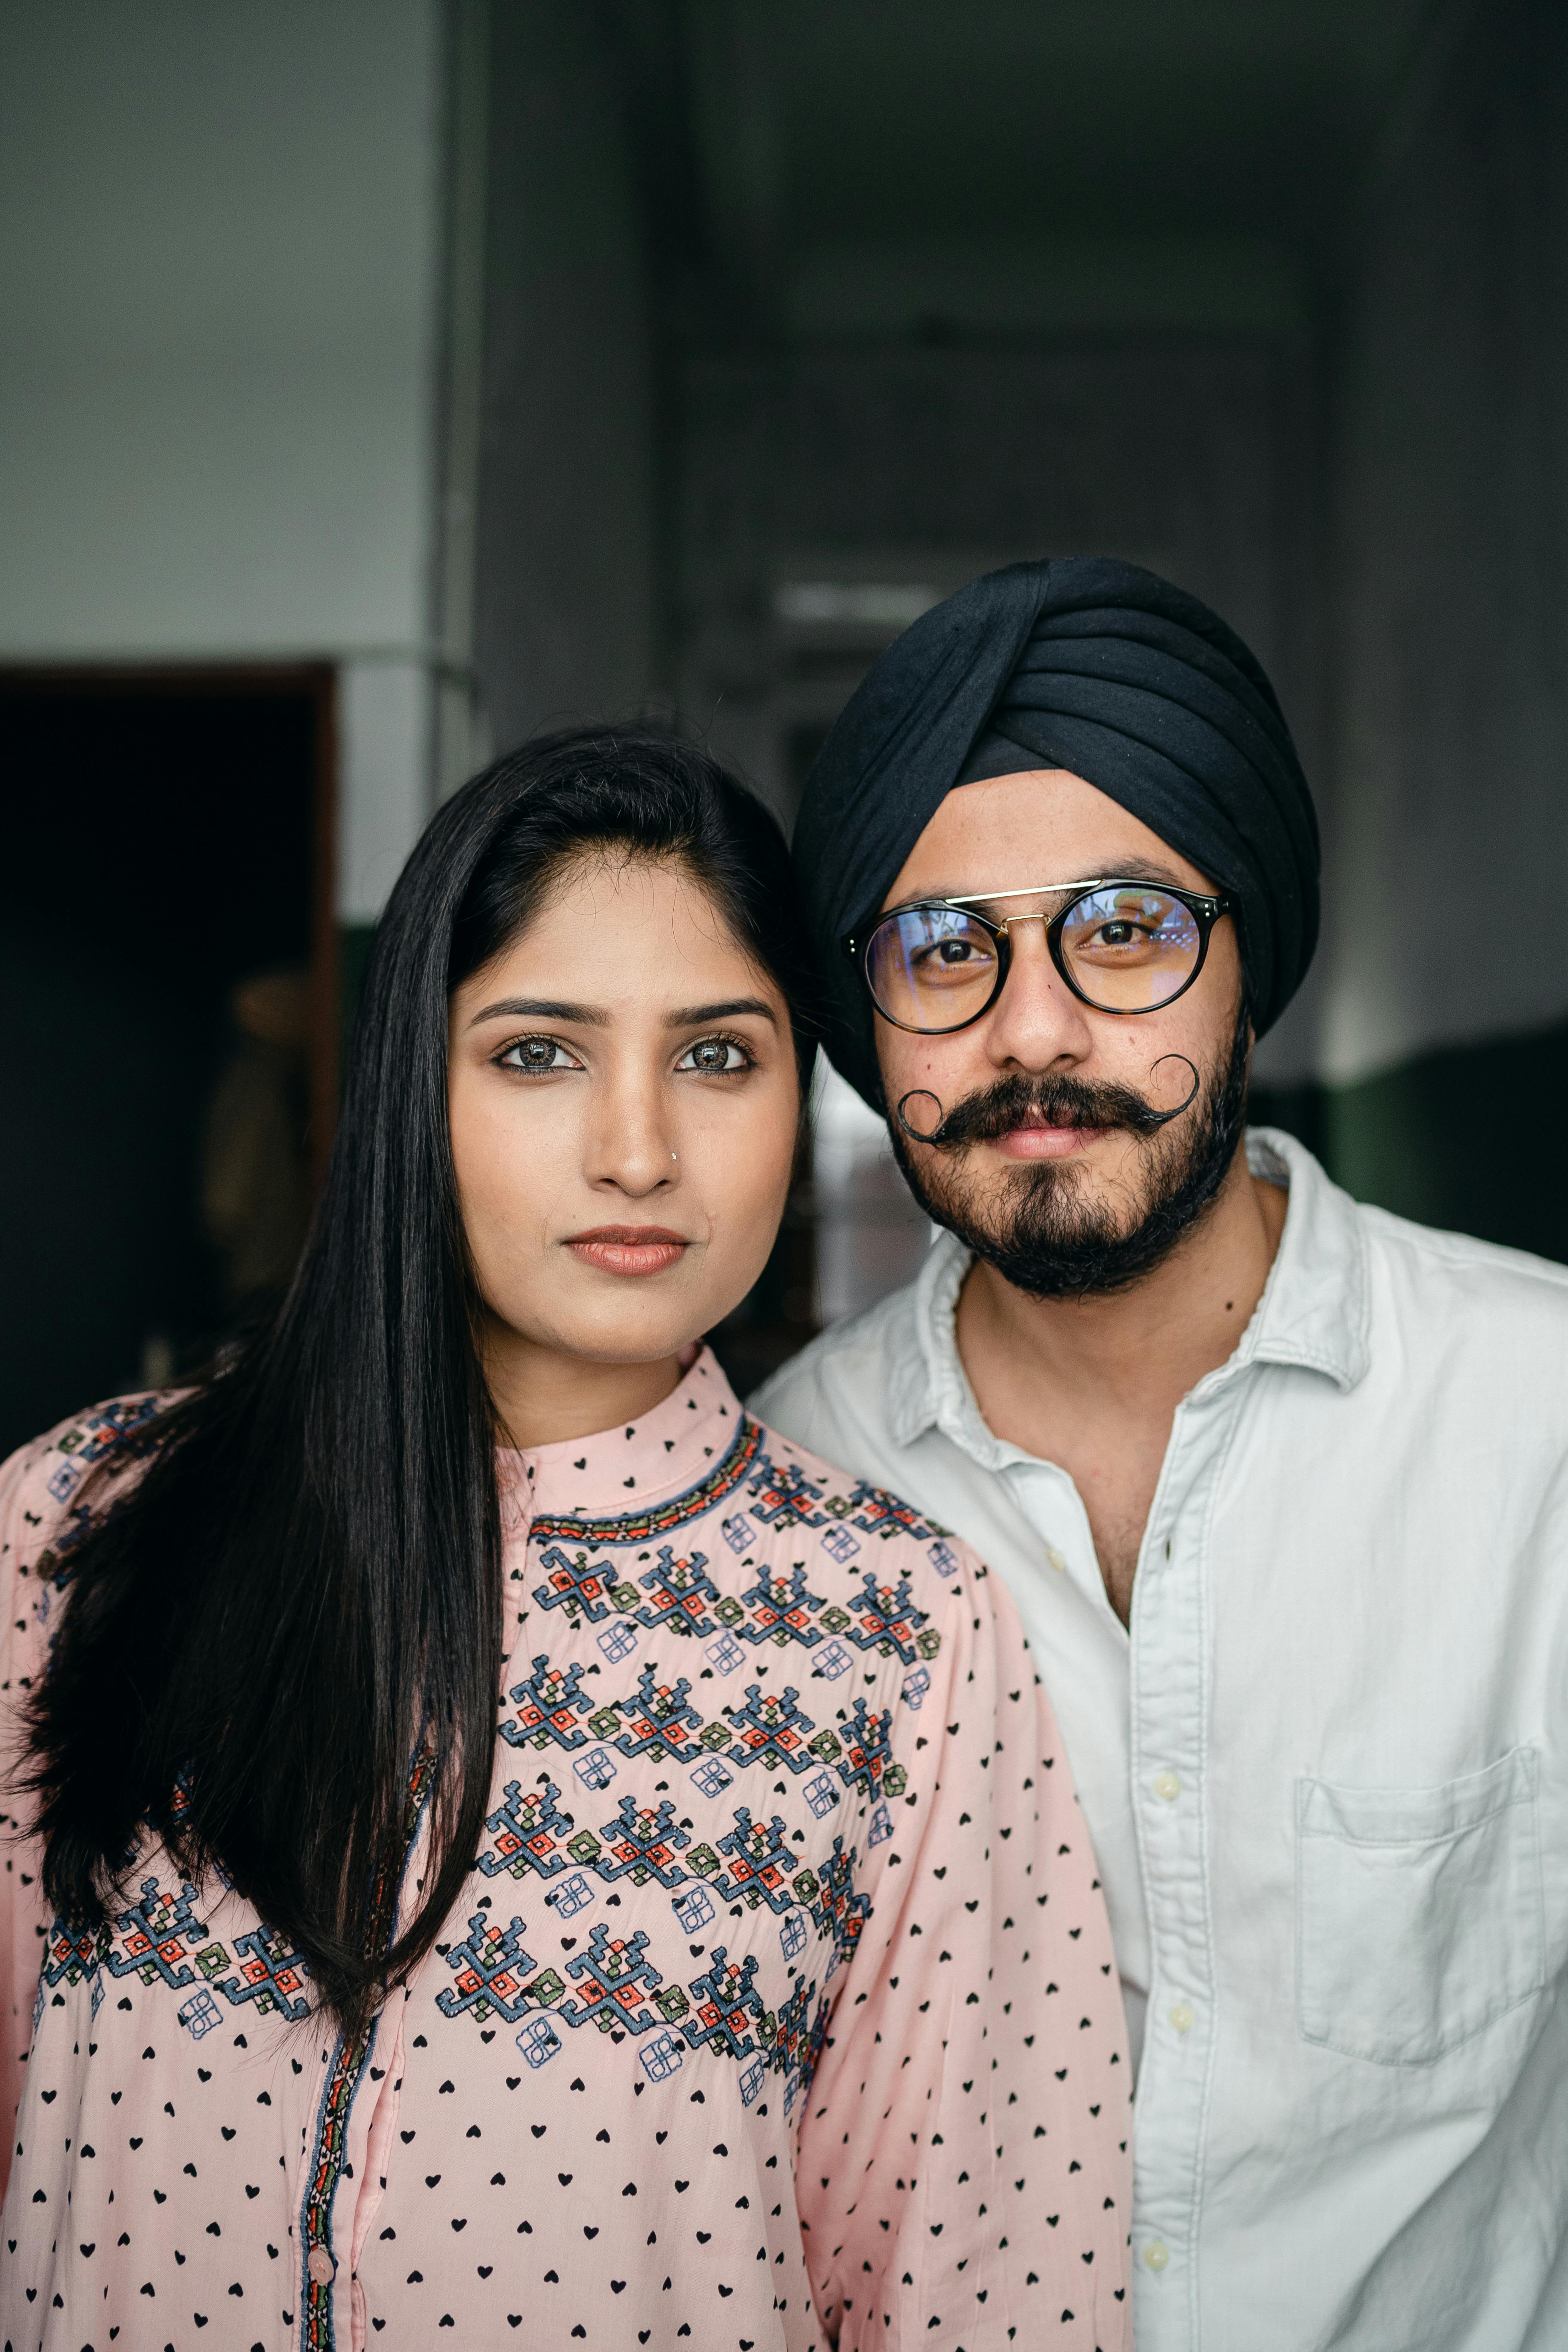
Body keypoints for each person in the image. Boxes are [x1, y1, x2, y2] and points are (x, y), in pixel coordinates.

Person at [0, 728, 1131, 2350]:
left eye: (718, 1057)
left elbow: (995, 2295)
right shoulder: (85, 1527)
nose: (638, 1150)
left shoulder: (898, 1641)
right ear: (414, 1083)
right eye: (538, 1052)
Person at [755, 558, 1568, 2351]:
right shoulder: (788, 1493)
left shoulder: (1541, 1424)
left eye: (1123, 928)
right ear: (863, 1012)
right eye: (942, 948)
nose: (1032, 1029)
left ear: (1246, 966)